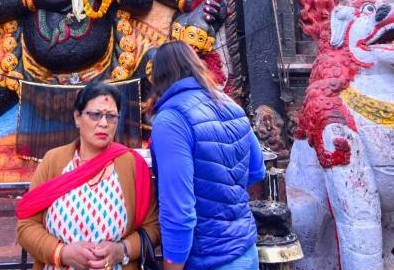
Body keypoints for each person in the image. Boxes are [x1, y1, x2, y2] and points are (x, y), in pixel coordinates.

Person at [16, 80, 159, 270]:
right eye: (95, 115)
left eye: (111, 116)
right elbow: (26, 226)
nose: (103, 123)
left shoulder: (133, 165)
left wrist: (121, 250)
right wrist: (61, 253)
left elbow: (153, 227)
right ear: (77, 117)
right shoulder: (53, 161)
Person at [149, 41, 264, 270]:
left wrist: (172, 266)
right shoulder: (230, 105)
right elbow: (256, 170)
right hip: (246, 250)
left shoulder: (171, 120)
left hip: (208, 259)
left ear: (157, 78)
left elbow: (178, 209)